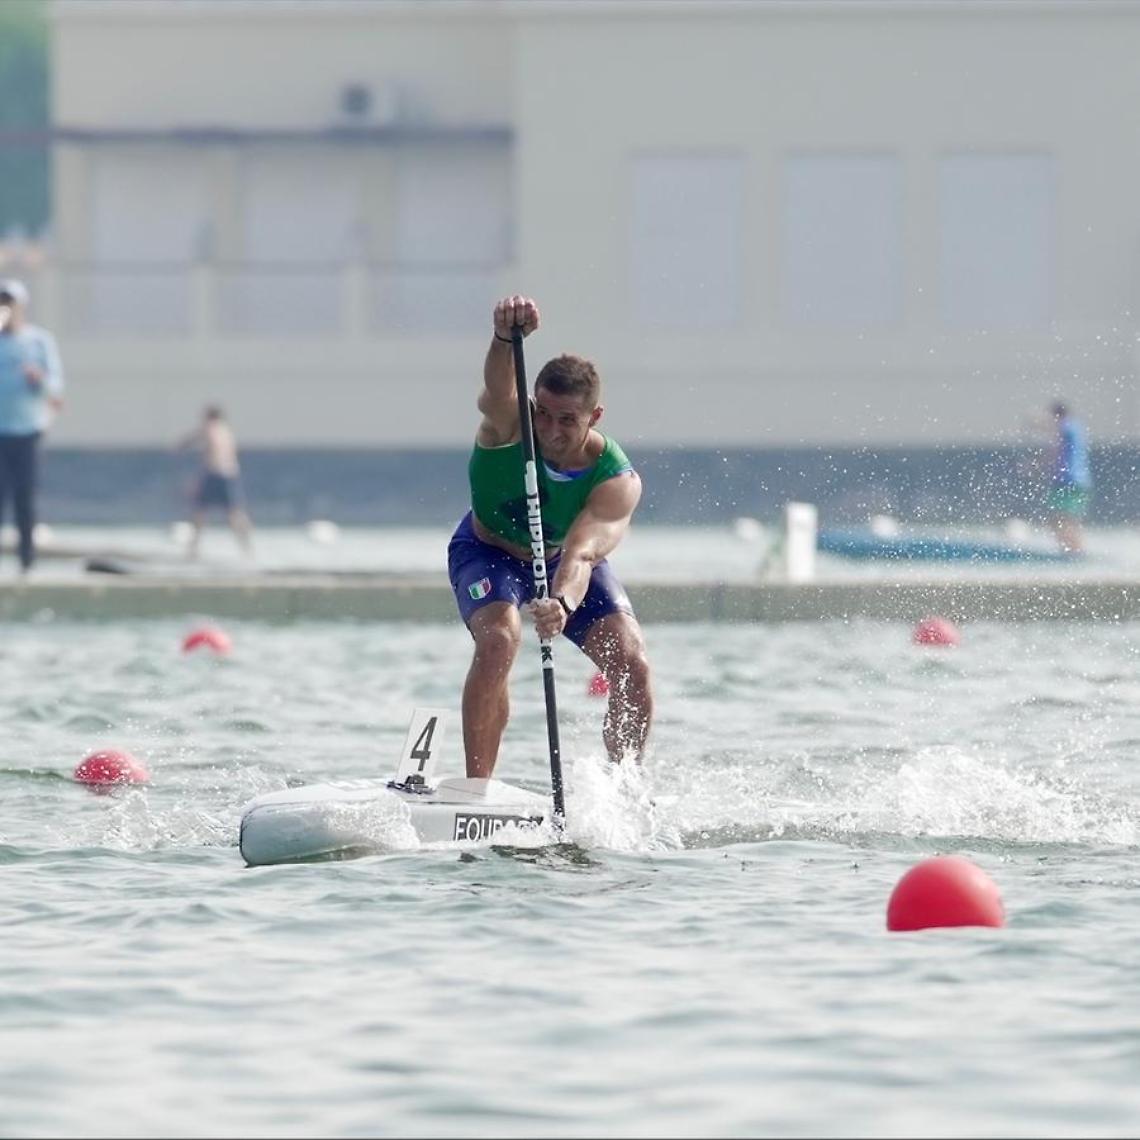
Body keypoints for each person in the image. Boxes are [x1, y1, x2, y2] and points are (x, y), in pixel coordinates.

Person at [447, 295, 653, 778]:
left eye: (569, 421)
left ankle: (625, 791)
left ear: (594, 418)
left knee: (633, 665)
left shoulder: (616, 481)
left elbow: (582, 555)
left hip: (565, 564)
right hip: (487, 552)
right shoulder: (509, 425)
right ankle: (477, 792)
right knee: (499, 643)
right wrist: (504, 337)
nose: (552, 431)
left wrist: (560, 604)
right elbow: (498, 389)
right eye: (546, 414)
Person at [0, 278, 64, 574]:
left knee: (25, 497)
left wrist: (39, 379)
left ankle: (27, 563)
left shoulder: (39, 341)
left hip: (26, 431)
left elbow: (56, 386)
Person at [174, 405, 254, 560]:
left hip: (215, 473)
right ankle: (247, 548)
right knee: (235, 513)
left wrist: (180, 446)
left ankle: (193, 550)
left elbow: (209, 452)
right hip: (231, 474)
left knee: (200, 511)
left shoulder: (211, 428)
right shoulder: (227, 431)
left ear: (209, 417)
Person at [1044, 400, 1092, 554]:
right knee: (1070, 519)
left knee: (1060, 519)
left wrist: (1036, 465)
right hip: (1081, 480)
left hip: (1067, 480)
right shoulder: (1077, 426)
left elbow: (1057, 451)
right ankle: (1075, 550)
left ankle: (1071, 551)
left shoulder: (1065, 426)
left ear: (1056, 415)